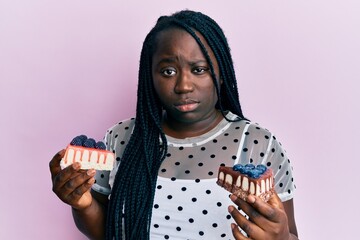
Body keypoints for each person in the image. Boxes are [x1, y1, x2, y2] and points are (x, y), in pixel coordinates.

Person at [50, 10, 298, 240]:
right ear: (150, 77)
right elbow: (109, 231)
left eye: (199, 69)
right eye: (168, 71)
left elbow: (290, 234)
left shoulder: (258, 143)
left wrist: (282, 237)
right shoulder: (122, 138)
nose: (183, 86)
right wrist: (82, 205)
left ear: (221, 72)